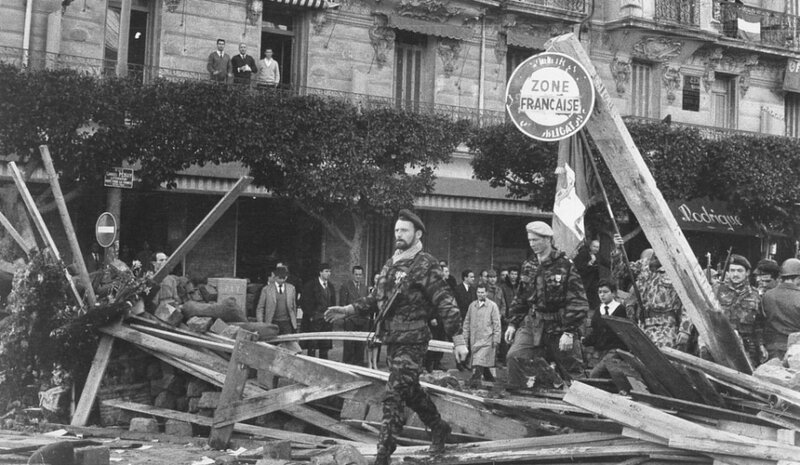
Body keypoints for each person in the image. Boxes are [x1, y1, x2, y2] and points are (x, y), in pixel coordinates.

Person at [324, 209, 469, 465]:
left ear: (418, 233)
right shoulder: (392, 263)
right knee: (410, 391)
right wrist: (347, 309)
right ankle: (438, 427)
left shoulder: (426, 264)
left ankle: (383, 455)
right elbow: (377, 299)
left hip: (414, 340)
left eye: (404, 230)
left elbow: (446, 301)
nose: (398, 235)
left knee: (393, 394)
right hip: (392, 340)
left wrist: (457, 339)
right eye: (396, 231)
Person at [505, 221, 589, 391]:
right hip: (534, 324)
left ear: (548, 240)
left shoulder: (565, 265)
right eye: (530, 240)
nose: (532, 244)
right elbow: (521, 297)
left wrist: (569, 331)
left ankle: (581, 409)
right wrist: (513, 324)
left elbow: (578, 301)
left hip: (559, 326)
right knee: (515, 356)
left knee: (573, 371)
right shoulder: (529, 265)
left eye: (535, 240)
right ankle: (521, 400)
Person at [713, 254, 766, 366]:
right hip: (722, 344)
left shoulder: (755, 295)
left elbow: (759, 325)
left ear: (747, 273)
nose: (735, 274)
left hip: (747, 347)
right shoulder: (718, 291)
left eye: (739, 271)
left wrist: (761, 345)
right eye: (732, 270)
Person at [582, 280, 628, 376]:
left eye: (605, 292)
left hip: (616, 350)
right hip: (601, 351)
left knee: (595, 374)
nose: (602, 295)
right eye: (600, 292)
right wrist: (584, 341)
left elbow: (625, 332)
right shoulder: (598, 310)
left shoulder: (621, 310)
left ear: (613, 293)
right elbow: (596, 331)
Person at [463, 283, 501, 388]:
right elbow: (466, 323)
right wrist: (465, 339)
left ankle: (474, 382)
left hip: (487, 340)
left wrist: (496, 339)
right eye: (478, 292)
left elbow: (497, 324)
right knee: (482, 364)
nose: (480, 294)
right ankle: (492, 383)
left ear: (487, 293)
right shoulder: (472, 306)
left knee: (479, 362)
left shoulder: (493, 306)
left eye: (482, 292)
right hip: (475, 340)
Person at [762, 258, 800, 360]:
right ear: (798, 278)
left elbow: (761, 322)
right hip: (794, 350)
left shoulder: (768, 295)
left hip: (771, 348)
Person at [300, 262, 336, 359]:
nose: (328, 273)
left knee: (325, 346)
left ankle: (324, 366)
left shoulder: (331, 287)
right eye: (326, 271)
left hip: (327, 320)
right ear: (320, 272)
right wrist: (311, 316)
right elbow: (304, 302)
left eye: (330, 271)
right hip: (314, 321)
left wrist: (331, 315)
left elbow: (333, 303)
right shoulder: (310, 285)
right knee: (312, 345)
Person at [339, 265, 369, 366]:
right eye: (356, 274)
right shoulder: (346, 286)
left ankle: (359, 365)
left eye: (360, 275)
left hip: (362, 320)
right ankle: (348, 365)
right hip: (350, 320)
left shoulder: (365, 288)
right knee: (349, 344)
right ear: (352, 275)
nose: (358, 276)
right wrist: (346, 317)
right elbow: (343, 303)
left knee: (360, 344)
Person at [574, 238, 606, 311]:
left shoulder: (598, 256)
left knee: (595, 297)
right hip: (584, 279)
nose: (596, 249)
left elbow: (605, 264)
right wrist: (589, 264)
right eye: (594, 247)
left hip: (594, 281)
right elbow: (578, 266)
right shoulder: (583, 253)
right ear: (591, 246)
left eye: (597, 247)